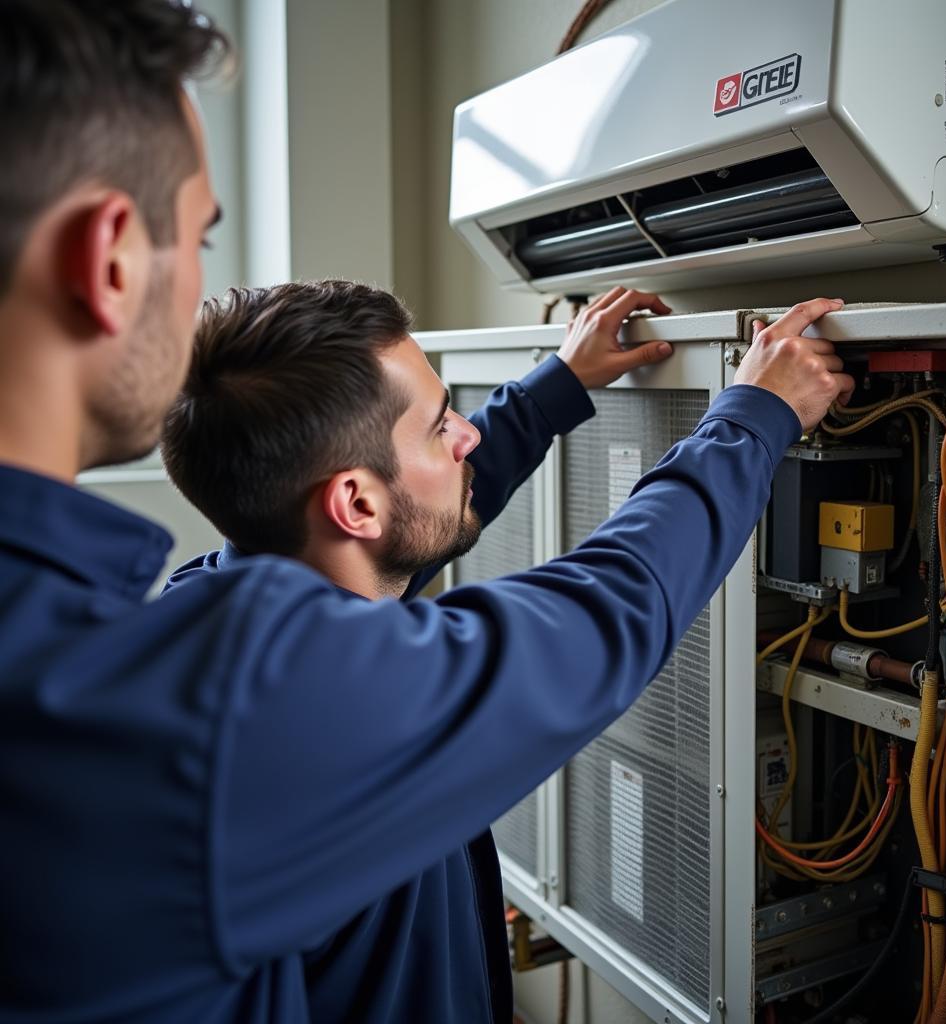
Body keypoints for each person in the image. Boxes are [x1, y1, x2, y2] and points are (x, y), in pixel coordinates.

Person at [0, 1, 853, 1022]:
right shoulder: (218, 714)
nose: (191, 298)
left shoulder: (167, 619)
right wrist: (751, 417)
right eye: (197, 239)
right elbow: (601, 612)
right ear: (107, 260)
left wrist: (555, 386)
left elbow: (401, 523)